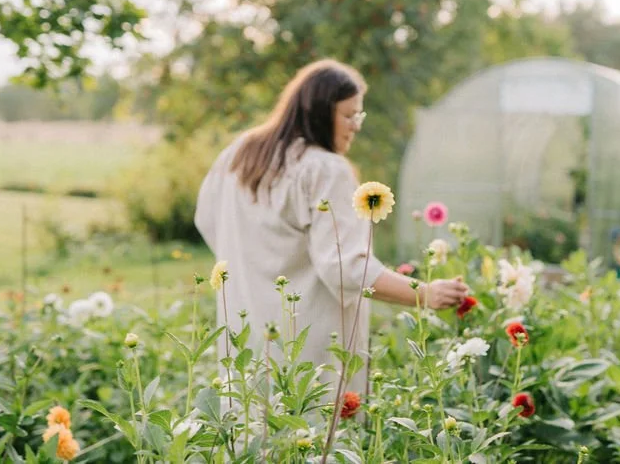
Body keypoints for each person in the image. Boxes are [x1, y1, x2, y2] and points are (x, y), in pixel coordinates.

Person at [194, 58, 469, 391]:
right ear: (320, 112)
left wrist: (252, 264)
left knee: (249, 431)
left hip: (245, 336)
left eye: (359, 116)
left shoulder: (238, 153)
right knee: (307, 432)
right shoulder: (324, 169)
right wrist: (425, 293)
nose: (356, 125)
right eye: (349, 115)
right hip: (307, 345)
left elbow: (208, 220)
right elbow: (346, 266)